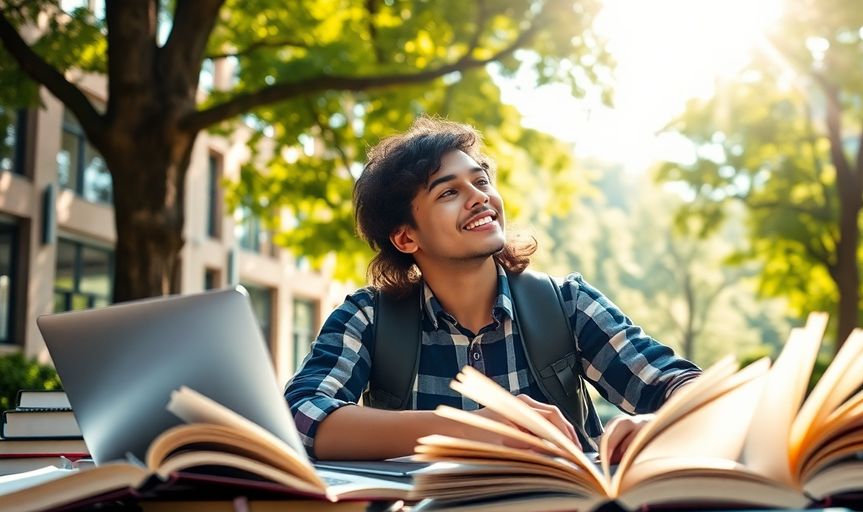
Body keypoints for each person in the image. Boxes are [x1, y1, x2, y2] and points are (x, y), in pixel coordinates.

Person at [284, 117, 701, 461]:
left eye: (481, 181)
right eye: (449, 191)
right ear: (406, 238)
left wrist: (657, 425)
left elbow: (682, 384)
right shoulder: (368, 318)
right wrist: (469, 429)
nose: (478, 197)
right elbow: (300, 416)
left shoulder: (567, 304)